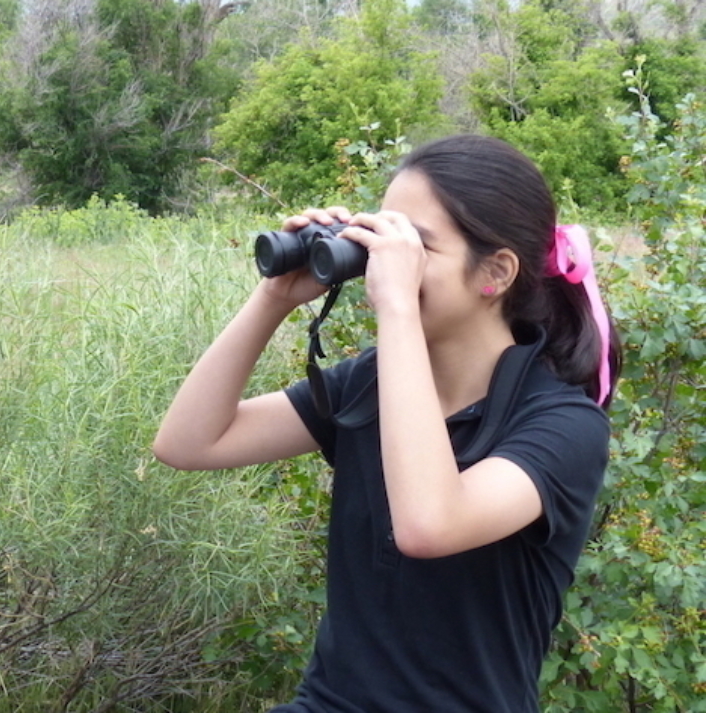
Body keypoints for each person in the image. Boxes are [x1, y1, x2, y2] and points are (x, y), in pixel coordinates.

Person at [153, 134, 619, 712]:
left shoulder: (563, 425)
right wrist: (274, 297)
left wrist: (397, 307)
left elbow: (429, 525)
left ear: (494, 271)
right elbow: (189, 442)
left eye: (415, 247)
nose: (384, 261)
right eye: (383, 235)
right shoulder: (372, 383)